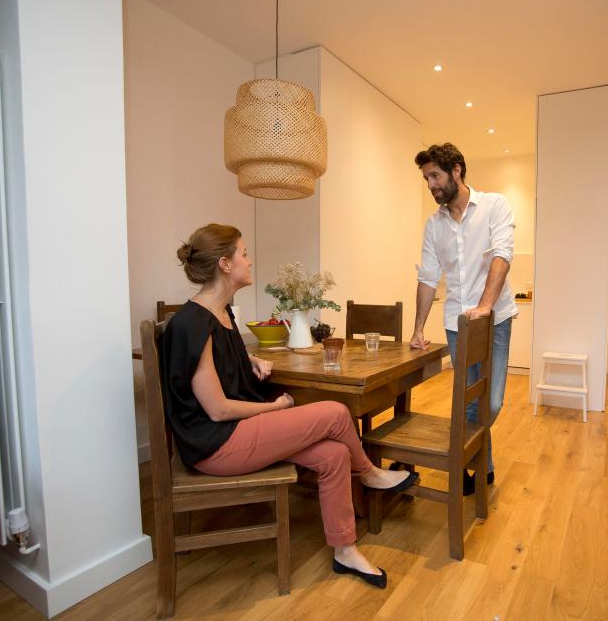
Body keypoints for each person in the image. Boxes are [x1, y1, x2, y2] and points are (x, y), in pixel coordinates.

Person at [162, 223, 417, 589]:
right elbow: (217, 410)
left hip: (232, 434)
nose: (250, 260)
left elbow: (213, 363)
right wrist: (275, 408)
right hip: (215, 443)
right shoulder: (190, 323)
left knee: (332, 455)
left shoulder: (222, 313)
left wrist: (247, 360)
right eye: (244, 253)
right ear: (224, 264)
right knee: (335, 412)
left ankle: (345, 550)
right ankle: (371, 475)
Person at [409, 143, 517, 496]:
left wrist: (485, 306)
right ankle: (478, 467)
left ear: (456, 170)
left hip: (495, 319)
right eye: (426, 178)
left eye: (435, 176)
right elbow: (428, 276)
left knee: (493, 400)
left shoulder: (494, 206)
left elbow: (502, 256)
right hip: (458, 324)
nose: (430, 185)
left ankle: (469, 458)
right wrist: (418, 328)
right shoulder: (433, 224)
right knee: (469, 399)